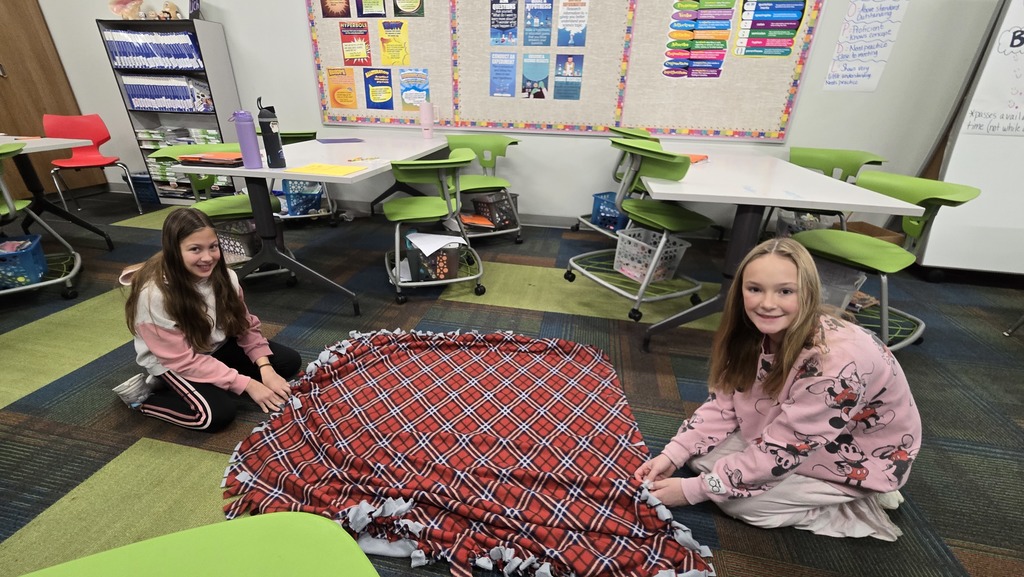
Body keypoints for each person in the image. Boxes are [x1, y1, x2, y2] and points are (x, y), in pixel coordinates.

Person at [635, 238, 921, 541]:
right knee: (700, 459)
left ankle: (857, 498)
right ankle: (800, 486)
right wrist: (672, 455)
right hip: (800, 429)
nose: (767, 303)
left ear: (807, 292)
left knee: (741, 504)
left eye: (785, 291)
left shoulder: (835, 363)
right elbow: (723, 403)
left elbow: (785, 449)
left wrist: (692, 491)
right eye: (755, 289)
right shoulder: (751, 331)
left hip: (859, 453)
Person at [116, 208, 301, 432]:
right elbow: (182, 360)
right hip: (174, 362)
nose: (208, 257)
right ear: (174, 251)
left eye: (213, 247)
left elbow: (244, 325)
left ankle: (214, 379)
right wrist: (247, 384)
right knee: (215, 415)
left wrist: (265, 368)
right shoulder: (154, 296)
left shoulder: (226, 277)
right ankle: (144, 400)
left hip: (214, 345)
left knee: (288, 362)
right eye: (195, 249)